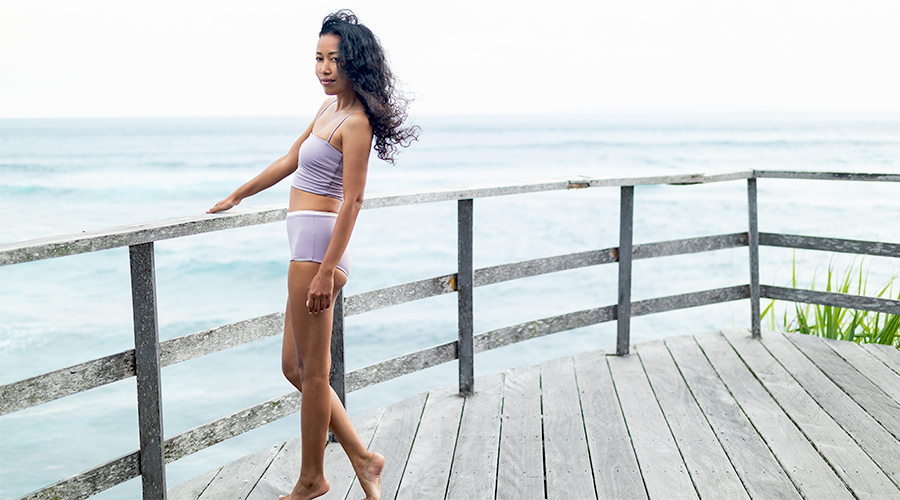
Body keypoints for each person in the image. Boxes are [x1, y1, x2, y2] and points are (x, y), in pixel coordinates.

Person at [207, 10, 418, 500]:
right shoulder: (327, 110)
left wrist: (326, 272)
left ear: (355, 64)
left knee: (315, 373)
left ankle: (312, 479)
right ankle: (363, 458)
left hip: (317, 254)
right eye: (319, 58)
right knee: (295, 369)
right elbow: (290, 160)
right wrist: (238, 194)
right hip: (305, 250)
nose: (324, 68)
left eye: (334, 59)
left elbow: (354, 201)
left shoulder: (357, 124)